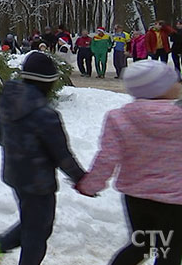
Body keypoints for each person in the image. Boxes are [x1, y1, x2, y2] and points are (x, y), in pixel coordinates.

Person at [76, 60, 182, 264]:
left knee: (141, 245)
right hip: (175, 201)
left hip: (137, 198)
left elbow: (107, 157)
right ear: (162, 87)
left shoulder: (119, 117)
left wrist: (90, 185)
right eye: (174, 81)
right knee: (170, 251)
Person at [0, 52, 86, 264]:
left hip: (15, 175)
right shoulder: (46, 115)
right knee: (37, 234)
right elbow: (62, 155)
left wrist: (18, 150)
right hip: (39, 183)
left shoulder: (9, 102)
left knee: (34, 223)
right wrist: (81, 179)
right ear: (47, 84)